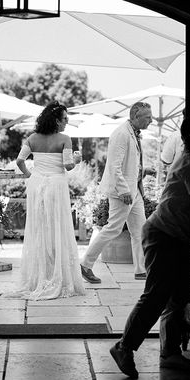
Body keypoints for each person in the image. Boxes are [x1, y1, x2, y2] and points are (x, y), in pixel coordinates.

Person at [109, 116, 190, 379]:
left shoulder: (187, 158)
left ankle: (170, 353)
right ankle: (124, 347)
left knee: (177, 296)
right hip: (166, 234)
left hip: (169, 232)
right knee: (156, 296)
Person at [4, 100, 86, 300]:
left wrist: (29, 176)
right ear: (57, 121)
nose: (67, 122)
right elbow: (67, 165)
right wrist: (77, 159)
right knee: (57, 227)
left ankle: (40, 275)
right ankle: (57, 276)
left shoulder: (32, 138)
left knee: (39, 228)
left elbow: (20, 161)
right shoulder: (65, 139)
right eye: (65, 118)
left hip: (37, 184)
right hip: (56, 185)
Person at [80, 102, 152, 284]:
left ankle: (141, 270)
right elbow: (114, 166)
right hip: (123, 192)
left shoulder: (133, 134)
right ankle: (85, 264)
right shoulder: (121, 134)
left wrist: (141, 173)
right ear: (136, 116)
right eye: (147, 117)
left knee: (140, 230)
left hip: (134, 190)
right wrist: (124, 190)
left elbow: (130, 164)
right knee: (113, 228)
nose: (151, 120)